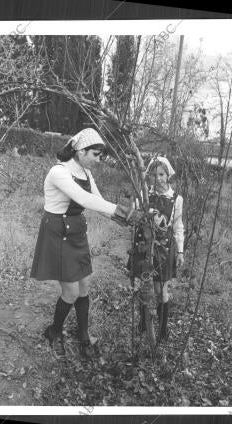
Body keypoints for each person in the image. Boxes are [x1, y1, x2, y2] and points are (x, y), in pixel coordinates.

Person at [30, 128, 141, 359]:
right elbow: (83, 199)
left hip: (77, 232)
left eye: (101, 156)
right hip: (57, 232)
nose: (98, 160)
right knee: (70, 292)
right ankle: (54, 332)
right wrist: (120, 211)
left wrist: (127, 220)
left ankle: (83, 336)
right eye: (95, 154)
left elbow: (98, 201)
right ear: (81, 151)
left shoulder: (86, 173)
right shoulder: (58, 171)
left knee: (84, 287)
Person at [128, 156, 185, 340]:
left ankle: (162, 329)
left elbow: (177, 226)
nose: (158, 178)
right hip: (145, 246)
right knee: (145, 286)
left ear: (168, 175)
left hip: (164, 248)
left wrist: (180, 250)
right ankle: (143, 324)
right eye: (154, 175)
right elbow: (134, 215)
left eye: (162, 174)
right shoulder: (145, 194)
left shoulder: (176, 199)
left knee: (161, 290)